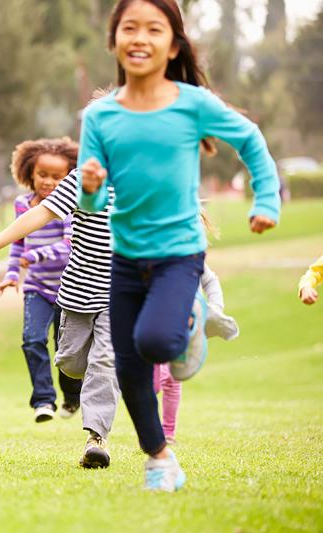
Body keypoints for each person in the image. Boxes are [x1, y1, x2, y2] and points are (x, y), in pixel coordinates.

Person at [77, 0, 280, 491]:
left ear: (173, 45)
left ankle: (190, 321)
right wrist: (90, 186)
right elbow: (93, 204)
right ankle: (159, 458)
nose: (140, 38)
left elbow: (250, 141)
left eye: (154, 29)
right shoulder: (100, 116)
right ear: (114, 40)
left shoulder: (192, 103)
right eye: (129, 28)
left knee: (155, 343)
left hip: (178, 253)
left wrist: (267, 199)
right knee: (128, 367)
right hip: (125, 255)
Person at [0, 161, 121, 469]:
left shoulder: (144, 179)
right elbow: (42, 212)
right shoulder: (82, 178)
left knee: (104, 362)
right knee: (72, 363)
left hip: (120, 292)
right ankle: (89, 379)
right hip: (77, 291)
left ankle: (96, 438)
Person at [0, 138, 82, 423]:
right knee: (32, 340)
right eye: (43, 175)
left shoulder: (68, 207)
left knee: (65, 350)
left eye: (58, 177)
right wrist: (11, 275)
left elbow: (70, 245)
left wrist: (37, 256)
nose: (49, 182)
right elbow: (18, 243)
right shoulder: (23, 205)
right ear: (30, 172)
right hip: (37, 288)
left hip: (69, 288)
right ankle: (43, 400)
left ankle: (72, 396)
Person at [154, 213, 240, 443]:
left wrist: (215, 308)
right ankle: (149, 418)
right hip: (155, 324)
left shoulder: (196, 260)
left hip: (184, 327)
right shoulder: (156, 256)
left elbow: (211, 282)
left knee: (173, 379)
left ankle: (168, 433)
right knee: (154, 381)